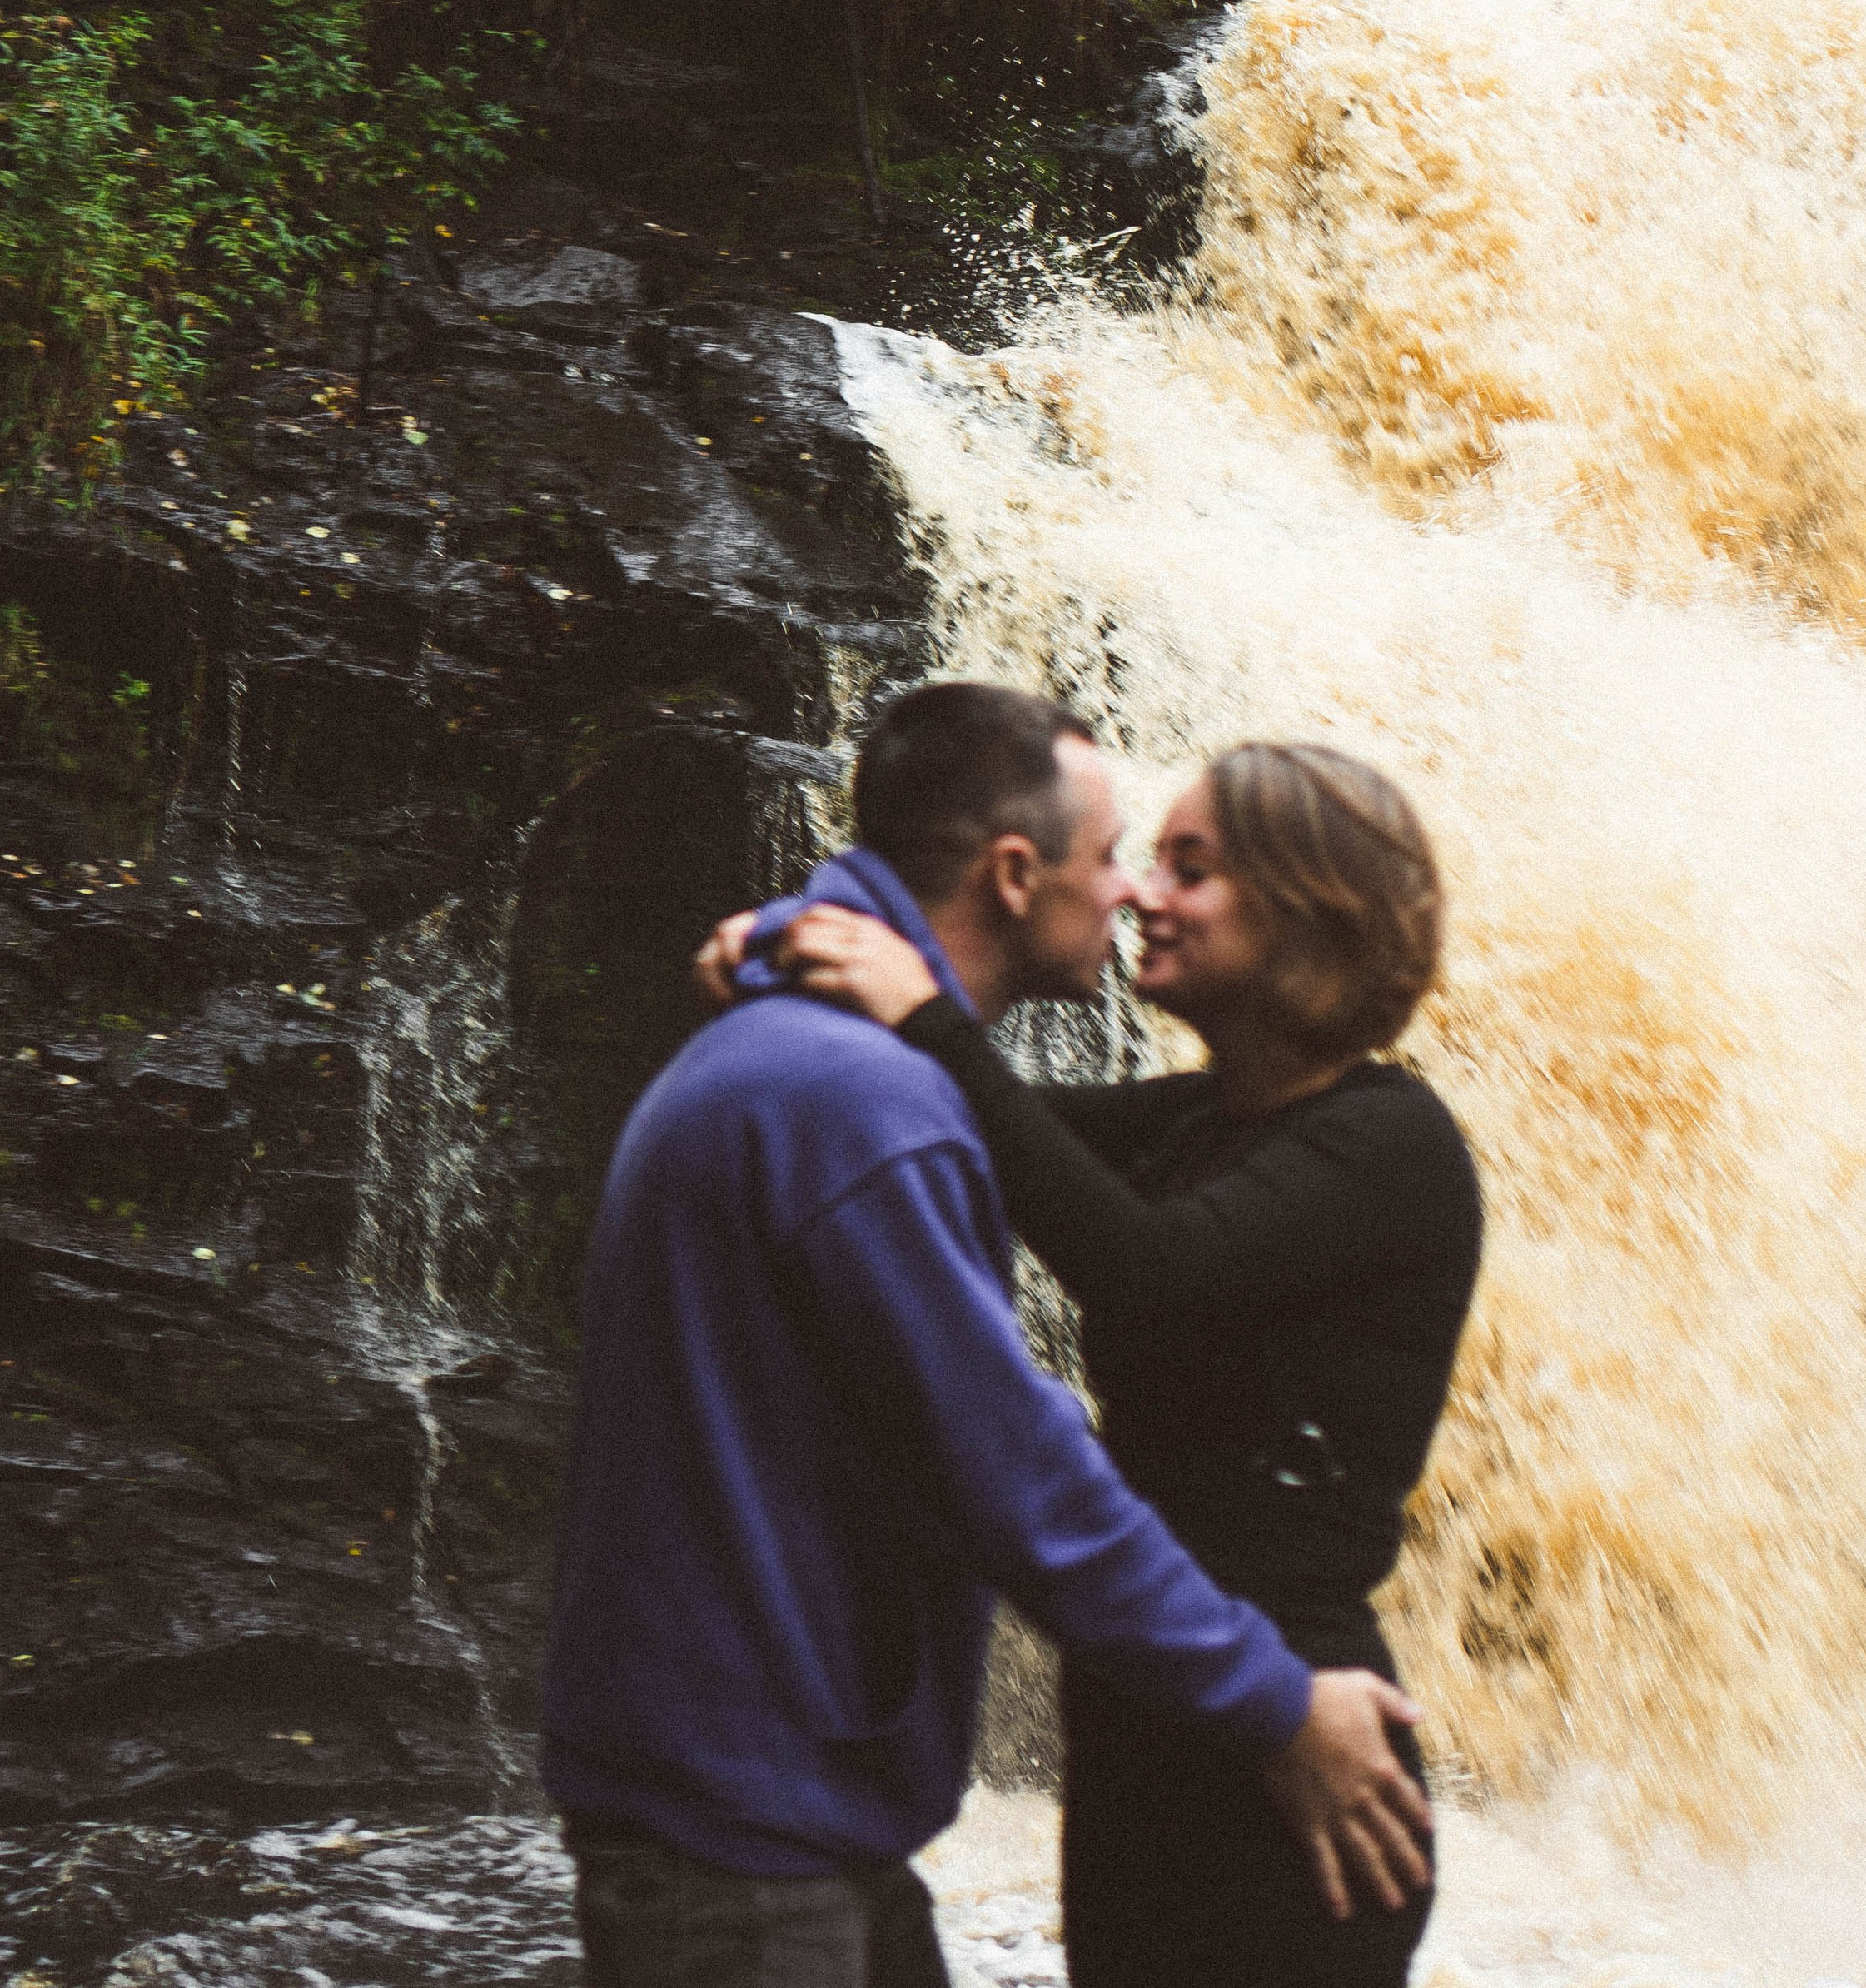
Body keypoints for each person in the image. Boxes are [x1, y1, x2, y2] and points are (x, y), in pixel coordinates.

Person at [542, 685, 1434, 1987]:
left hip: (808, 1802)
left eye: (1184, 868)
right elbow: (1022, 1473)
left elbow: (1088, 1210)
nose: (1133, 895)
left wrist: (839, 956)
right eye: (1126, 857)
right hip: (764, 1818)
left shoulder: (863, 1082)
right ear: (1016, 875)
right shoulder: (864, 1104)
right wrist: (1273, 1699)